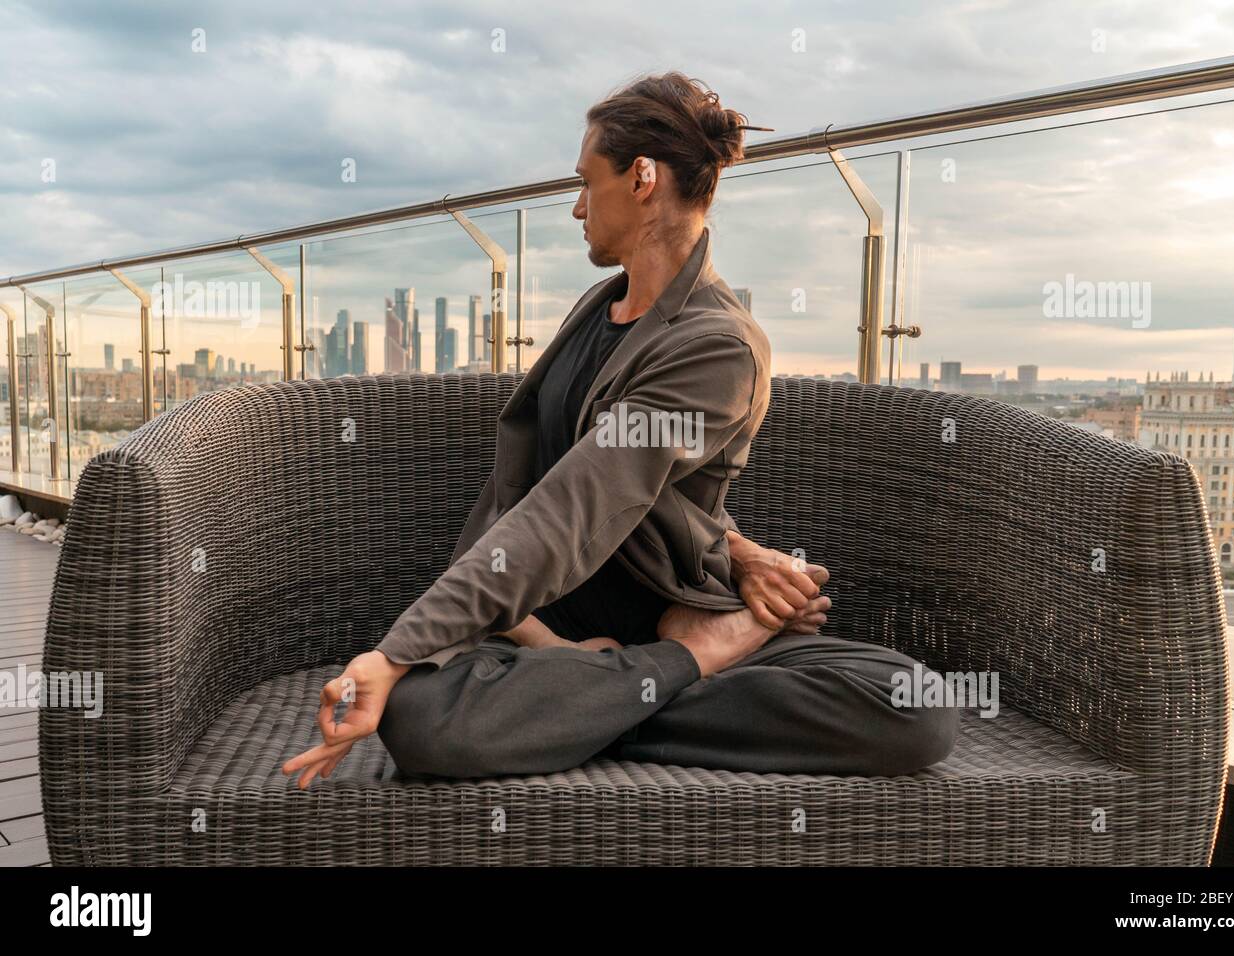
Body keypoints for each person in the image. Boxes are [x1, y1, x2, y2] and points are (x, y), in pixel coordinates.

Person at [283, 72, 958, 787]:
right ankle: (677, 671)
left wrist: (393, 655)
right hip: (546, 636)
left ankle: (640, 682)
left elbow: (582, 501)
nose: (576, 207)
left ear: (641, 177)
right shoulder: (596, 309)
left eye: (585, 181)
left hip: (662, 617)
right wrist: (554, 644)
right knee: (420, 720)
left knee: (913, 705)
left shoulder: (717, 344)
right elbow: (545, 492)